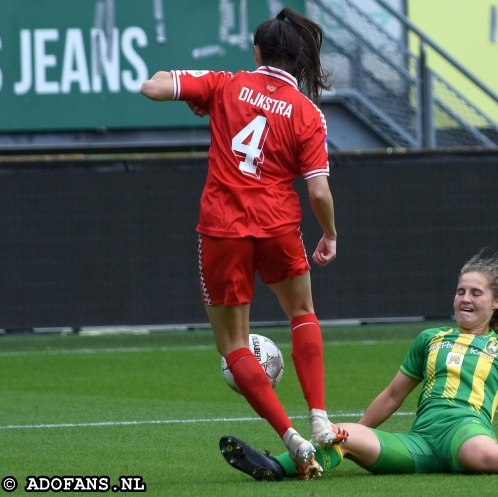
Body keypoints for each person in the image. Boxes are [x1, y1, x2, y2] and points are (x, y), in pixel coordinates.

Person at [140, 8, 345, 478]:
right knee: (302, 314)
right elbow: (317, 190)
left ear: (257, 52)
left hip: (222, 230)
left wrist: (192, 88)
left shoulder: (224, 85)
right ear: (298, 60)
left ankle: (290, 439)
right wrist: (330, 234)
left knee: (233, 346)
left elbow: (150, 87)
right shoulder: (307, 112)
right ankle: (319, 419)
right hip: (277, 227)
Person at [218, 253, 498, 481]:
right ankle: (277, 467)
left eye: (476, 293)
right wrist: (354, 437)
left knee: (484, 457)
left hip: (466, 432)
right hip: (420, 442)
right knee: (342, 433)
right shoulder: (430, 339)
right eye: (460, 291)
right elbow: (392, 395)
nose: (465, 298)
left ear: (496, 303)